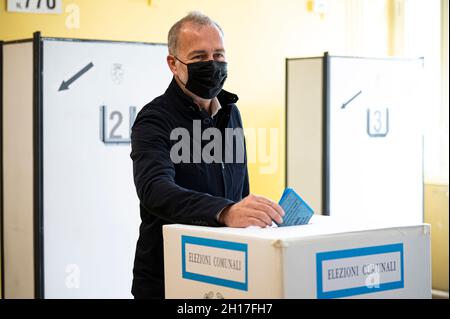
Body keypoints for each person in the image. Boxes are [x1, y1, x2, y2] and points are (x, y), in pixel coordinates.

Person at [130, 11, 285, 299]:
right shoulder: (154, 119)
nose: (212, 65)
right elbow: (155, 190)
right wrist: (224, 212)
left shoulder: (230, 112)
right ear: (173, 64)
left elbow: (240, 189)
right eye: (199, 57)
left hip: (226, 275)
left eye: (219, 55)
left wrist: (252, 217)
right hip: (168, 278)